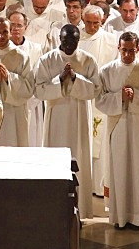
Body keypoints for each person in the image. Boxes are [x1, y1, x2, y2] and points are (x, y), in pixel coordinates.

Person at [34, 24, 100, 220]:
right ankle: (54, 209)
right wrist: (60, 79)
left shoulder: (87, 60)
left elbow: (96, 90)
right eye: (66, 41)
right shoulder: (47, 60)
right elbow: (38, 90)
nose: (69, 45)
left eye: (74, 41)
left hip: (79, 117)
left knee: (79, 156)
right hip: (56, 117)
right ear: (59, 39)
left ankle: (79, 211)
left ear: (79, 41)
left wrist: (75, 78)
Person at [96, 31, 139, 230]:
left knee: (137, 167)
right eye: (124, 50)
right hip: (117, 126)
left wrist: (136, 96)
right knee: (119, 168)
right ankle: (119, 215)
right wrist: (119, 97)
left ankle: (136, 216)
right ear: (118, 48)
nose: (127, 54)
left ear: (137, 49)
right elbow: (99, 100)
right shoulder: (106, 71)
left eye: (132, 50)